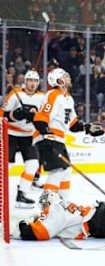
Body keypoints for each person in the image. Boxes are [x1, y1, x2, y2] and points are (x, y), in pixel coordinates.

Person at [32, 68, 105, 201]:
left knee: (66, 171)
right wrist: (46, 135)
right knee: (57, 171)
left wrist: (87, 128)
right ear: (59, 81)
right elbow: (41, 118)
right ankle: (47, 206)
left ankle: (64, 205)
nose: (69, 77)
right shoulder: (53, 95)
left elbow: (73, 125)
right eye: (66, 76)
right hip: (48, 138)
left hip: (58, 140)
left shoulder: (68, 99)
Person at [11, 191, 105, 241]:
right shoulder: (62, 205)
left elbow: (40, 233)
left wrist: (20, 227)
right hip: (103, 210)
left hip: (98, 222)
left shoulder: (53, 211)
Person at [0, 70, 45, 208]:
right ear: (25, 82)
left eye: (35, 81)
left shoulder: (42, 97)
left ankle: (21, 196)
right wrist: (15, 115)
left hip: (29, 136)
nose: (32, 84)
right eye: (30, 80)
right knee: (6, 166)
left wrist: (40, 122)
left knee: (33, 165)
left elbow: (45, 117)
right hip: (11, 135)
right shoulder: (16, 94)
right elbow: (2, 114)